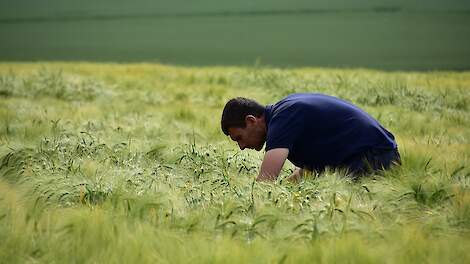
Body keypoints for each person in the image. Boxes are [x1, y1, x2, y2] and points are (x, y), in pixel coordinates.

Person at [221, 93, 401, 182]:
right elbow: (314, 168)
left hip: (375, 157)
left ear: (251, 121)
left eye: (239, 138)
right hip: (376, 154)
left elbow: (266, 180)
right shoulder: (284, 113)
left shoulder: (283, 118)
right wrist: (286, 189)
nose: (241, 147)